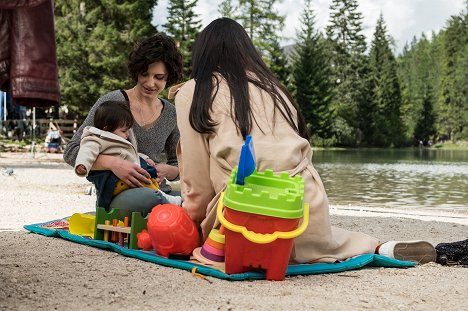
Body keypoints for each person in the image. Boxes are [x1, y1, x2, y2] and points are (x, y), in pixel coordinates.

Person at [172, 18, 436, 264]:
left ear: (202, 54)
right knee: (330, 240)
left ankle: (363, 246)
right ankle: (382, 247)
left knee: (225, 237)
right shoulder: (273, 88)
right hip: (305, 209)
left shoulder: (195, 91)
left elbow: (197, 181)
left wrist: (192, 221)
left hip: (244, 216)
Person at [64, 33, 183, 216]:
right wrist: (113, 163)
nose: (151, 83)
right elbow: (72, 151)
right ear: (136, 71)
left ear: (169, 78)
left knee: (203, 200)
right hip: (117, 193)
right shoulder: (112, 101)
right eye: (145, 74)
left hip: (158, 189)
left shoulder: (170, 113)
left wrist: (168, 170)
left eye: (159, 77)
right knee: (157, 201)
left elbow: (179, 164)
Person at [74, 100, 182, 211]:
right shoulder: (96, 139)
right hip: (116, 184)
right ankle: (167, 200)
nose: (127, 134)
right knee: (149, 191)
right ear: (107, 127)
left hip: (132, 183)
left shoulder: (119, 140)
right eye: (124, 131)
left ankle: (166, 199)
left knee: (149, 185)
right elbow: (86, 152)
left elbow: (132, 153)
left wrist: (146, 158)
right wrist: (82, 165)